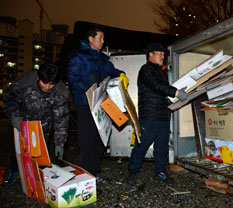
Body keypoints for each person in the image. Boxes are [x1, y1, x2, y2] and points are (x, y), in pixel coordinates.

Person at [68, 24, 128, 182]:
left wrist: (121, 74)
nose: (102, 41)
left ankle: (94, 173)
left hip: (102, 103)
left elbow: (112, 71)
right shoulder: (79, 57)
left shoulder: (103, 58)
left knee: (101, 139)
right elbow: (74, 79)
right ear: (91, 39)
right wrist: (92, 91)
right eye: (100, 38)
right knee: (88, 141)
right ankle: (86, 178)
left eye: (103, 38)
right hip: (86, 104)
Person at [128, 42, 188, 183]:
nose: (162, 56)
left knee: (162, 147)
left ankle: (160, 172)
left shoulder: (161, 71)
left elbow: (162, 91)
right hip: (149, 116)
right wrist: (176, 92)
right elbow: (155, 85)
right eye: (159, 54)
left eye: (163, 54)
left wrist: (172, 101)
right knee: (142, 145)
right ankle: (132, 172)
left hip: (163, 115)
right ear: (150, 54)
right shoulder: (146, 69)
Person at [3, 63, 69, 185]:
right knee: (18, 150)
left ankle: (40, 175)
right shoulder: (23, 83)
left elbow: (61, 119)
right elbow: (9, 100)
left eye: (52, 84)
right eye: (45, 83)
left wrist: (60, 143)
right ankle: (15, 171)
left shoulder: (60, 92)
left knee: (42, 154)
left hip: (44, 125)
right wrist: (15, 117)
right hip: (22, 122)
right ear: (38, 78)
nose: (48, 87)